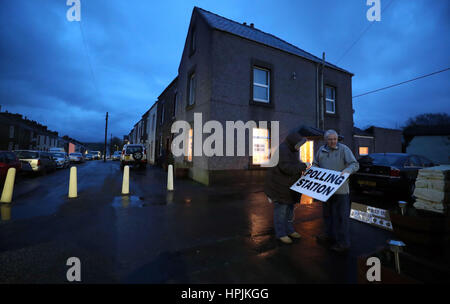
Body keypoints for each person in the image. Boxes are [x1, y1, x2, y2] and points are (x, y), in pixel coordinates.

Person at [313, 129, 359, 253]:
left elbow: (355, 164)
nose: (333, 141)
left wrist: (348, 170)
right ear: (325, 140)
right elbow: (315, 164)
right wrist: (314, 170)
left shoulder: (344, 149)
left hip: (341, 191)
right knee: (327, 215)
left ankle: (343, 243)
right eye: (330, 139)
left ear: (337, 139)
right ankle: (329, 235)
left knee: (341, 218)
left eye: (335, 139)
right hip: (326, 190)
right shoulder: (321, 151)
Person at [264, 130, 309, 244]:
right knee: (281, 212)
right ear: (294, 142)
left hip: (288, 186)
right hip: (280, 187)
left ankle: (289, 230)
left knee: (289, 211)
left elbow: (293, 164)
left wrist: (301, 166)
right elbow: (287, 168)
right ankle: (281, 234)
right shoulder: (283, 150)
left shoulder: (292, 149)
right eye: (299, 145)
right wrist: (303, 165)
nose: (300, 147)